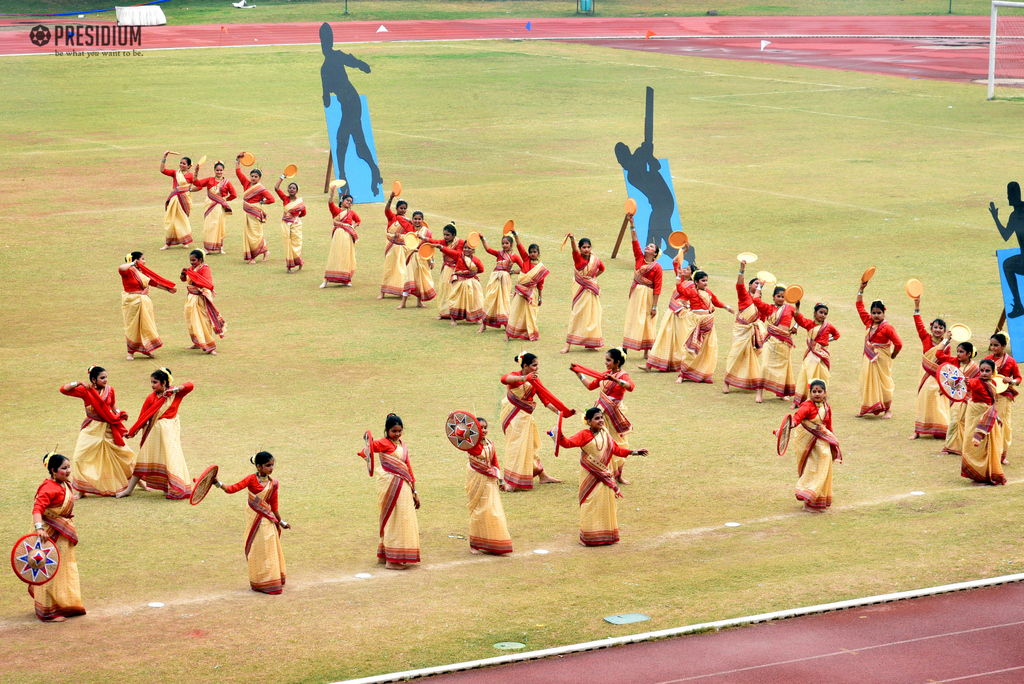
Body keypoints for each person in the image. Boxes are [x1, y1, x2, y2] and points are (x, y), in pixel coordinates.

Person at [557, 408, 647, 546]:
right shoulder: (584, 435)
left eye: (601, 418)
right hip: (590, 474)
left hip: (604, 474)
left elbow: (617, 450)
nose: (600, 421)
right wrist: (559, 435)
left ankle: (606, 535)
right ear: (588, 421)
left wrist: (635, 452)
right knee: (590, 503)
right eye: (596, 418)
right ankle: (589, 536)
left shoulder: (605, 433)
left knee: (605, 503)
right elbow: (567, 443)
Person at [215, 452, 290, 593]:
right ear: (258, 466)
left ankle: (272, 581)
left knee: (269, 552)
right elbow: (232, 489)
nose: (271, 468)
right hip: (255, 521)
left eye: (273, 465)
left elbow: (274, 507)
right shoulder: (251, 479)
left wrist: (282, 522)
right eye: (268, 465)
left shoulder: (273, 484)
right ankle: (261, 582)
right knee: (258, 552)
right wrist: (217, 483)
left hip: (267, 522)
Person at [500, 353, 575, 490]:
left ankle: (542, 475)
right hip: (514, 417)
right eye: (534, 365)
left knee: (531, 446)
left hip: (526, 417)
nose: (537, 368)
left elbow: (546, 400)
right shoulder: (516, 376)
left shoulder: (535, 380)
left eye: (537, 365)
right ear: (525, 366)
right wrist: (524, 378)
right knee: (517, 447)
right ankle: (511, 482)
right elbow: (504, 379)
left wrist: (562, 413)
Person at [117, 368, 193, 500]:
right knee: (143, 459)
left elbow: (190, 385)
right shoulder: (151, 397)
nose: (152, 385)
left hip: (170, 434)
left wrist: (174, 390)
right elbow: (143, 416)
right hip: (154, 433)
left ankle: (168, 487)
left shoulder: (175, 394)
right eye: (151, 382)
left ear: (164, 382)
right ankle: (129, 490)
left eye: (155, 382)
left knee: (169, 459)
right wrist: (132, 431)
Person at [358, 414, 421, 569]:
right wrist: (367, 444)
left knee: (402, 517)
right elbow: (367, 450)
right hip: (391, 484)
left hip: (404, 485)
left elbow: (408, 466)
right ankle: (392, 561)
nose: (397, 434)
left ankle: (388, 555)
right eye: (394, 431)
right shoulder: (383, 443)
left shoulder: (401, 444)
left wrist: (415, 491)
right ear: (387, 430)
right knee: (394, 518)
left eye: (400, 431)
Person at [60, 367, 134, 497]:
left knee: (125, 454)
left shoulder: (110, 390)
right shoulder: (86, 390)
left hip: (108, 428)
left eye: (106, 377)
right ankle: (82, 491)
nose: (105, 380)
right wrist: (78, 383)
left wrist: (120, 413)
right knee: (79, 457)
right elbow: (63, 390)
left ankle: (137, 483)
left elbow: (113, 405)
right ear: (93, 379)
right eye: (102, 378)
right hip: (91, 429)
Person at [29, 453, 86, 621]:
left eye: (68, 467)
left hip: (62, 535)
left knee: (63, 568)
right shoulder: (48, 487)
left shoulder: (63, 484)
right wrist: (39, 529)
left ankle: (62, 605)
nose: (68, 471)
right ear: (53, 470)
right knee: (50, 570)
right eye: (64, 468)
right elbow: (37, 509)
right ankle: (48, 612)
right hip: (50, 535)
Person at [574, 348, 635, 483]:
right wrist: (579, 374)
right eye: (606, 360)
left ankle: (618, 475)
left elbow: (630, 387)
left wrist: (616, 380)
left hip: (615, 414)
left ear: (617, 362)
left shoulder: (623, 375)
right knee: (601, 443)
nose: (606, 363)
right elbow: (590, 386)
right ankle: (603, 473)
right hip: (601, 413)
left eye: (609, 360)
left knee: (620, 444)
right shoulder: (605, 374)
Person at [788, 380, 842, 512]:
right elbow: (798, 416)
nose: (817, 394)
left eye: (819, 391)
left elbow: (828, 425)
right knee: (812, 469)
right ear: (810, 393)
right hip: (809, 444)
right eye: (814, 391)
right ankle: (807, 502)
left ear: (825, 393)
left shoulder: (826, 407)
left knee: (824, 465)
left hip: (822, 440)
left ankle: (817, 500)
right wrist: (793, 423)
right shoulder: (807, 406)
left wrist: (831, 438)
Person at [463, 418, 513, 555]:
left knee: (491, 508)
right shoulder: (470, 443)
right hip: (476, 479)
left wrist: (501, 480)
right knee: (479, 509)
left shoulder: (490, 443)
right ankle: (474, 545)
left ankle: (492, 541)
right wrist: (452, 417)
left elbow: (494, 461)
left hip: (489, 479)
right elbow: (458, 434)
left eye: (485, 427)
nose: (484, 430)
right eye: (480, 427)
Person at [676, 270, 735, 384]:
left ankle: (703, 374)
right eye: (703, 281)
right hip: (695, 322)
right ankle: (682, 375)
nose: (705, 283)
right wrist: (679, 276)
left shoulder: (708, 292)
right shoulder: (692, 292)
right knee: (690, 349)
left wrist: (727, 308)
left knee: (707, 349)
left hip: (708, 322)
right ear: (696, 282)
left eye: (706, 280)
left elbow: (716, 302)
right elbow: (680, 290)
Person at [855, 282, 903, 418]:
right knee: (866, 380)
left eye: (879, 313)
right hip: (868, 358)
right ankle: (866, 407)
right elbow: (859, 306)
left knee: (883, 383)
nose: (876, 315)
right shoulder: (868, 322)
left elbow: (898, 344)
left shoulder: (887, 328)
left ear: (884, 313)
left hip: (882, 359)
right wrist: (861, 290)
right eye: (874, 313)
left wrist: (892, 355)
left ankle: (888, 410)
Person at [118, 251, 177, 361]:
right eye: (143, 259)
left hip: (144, 302)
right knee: (132, 327)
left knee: (146, 325)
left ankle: (147, 350)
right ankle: (130, 353)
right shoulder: (128, 271)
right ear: (136, 260)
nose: (144, 261)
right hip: (131, 302)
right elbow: (121, 267)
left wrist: (168, 289)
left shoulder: (142, 272)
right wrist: (132, 264)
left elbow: (153, 283)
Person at [642, 261, 696, 373]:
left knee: (678, 339)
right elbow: (675, 261)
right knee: (665, 337)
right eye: (684, 268)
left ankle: (680, 364)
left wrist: (688, 304)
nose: (684, 270)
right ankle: (655, 365)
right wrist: (683, 252)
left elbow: (696, 300)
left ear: (692, 275)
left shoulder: (692, 286)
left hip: (680, 313)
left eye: (688, 269)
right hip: (672, 312)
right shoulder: (682, 280)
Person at [960, 360, 1006, 485]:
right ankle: (979, 474)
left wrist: (996, 417)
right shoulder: (976, 381)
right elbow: (967, 382)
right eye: (982, 370)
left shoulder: (993, 383)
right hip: (975, 417)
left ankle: (984, 476)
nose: (984, 373)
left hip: (988, 417)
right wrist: (961, 381)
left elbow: (991, 402)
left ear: (993, 372)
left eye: (987, 371)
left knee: (987, 446)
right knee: (974, 445)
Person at [622, 217, 663, 357]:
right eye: (648, 245)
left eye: (651, 247)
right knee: (632, 317)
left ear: (655, 253)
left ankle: (647, 351)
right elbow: (634, 241)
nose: (648, 247)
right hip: (636, 294)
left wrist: (655, 307)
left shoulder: (657, 268)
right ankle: (625, 348)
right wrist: (632, 223)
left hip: (648, 297)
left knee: (647, 320)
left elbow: (658, 288)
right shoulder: (639, 257)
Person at [723, 261, 766, 393]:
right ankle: (727, 383)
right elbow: (739, 284)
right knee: (735, 354)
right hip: (742, 330)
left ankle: (753, 381)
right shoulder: (744, 296)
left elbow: (762, 319)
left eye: (760, 284)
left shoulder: (760, 303)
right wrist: (742, 270)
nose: (758, 285)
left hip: (753, 332)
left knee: (751, 357)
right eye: (756, 283)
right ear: (750, 285)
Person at [909, 298, 948, 440]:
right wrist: (917, 306)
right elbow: (918, 324)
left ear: (945, 331)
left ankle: (940, 429)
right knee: (923, 399)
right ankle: (918, 431)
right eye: (935, 327)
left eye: (941, 328)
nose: (937, 330)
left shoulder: (946, 345)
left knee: (937, 400)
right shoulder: (925, 337)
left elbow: (947, 364)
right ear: (931, 329)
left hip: (938, 376)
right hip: (925, 374)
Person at [752, 284, 797, 403]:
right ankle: (759, 393)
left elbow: (799, 318)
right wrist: (760, 287)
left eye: (783, 297)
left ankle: (781, 394)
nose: (781, 299)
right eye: (778, 296)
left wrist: (795, 327)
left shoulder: (790, 308)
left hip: (784, 343)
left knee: (783, 368)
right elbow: (756, 300)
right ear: (773, 297)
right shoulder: (769, 308)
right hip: (770, 342)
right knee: (765, 366)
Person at [561, 235, 605, 353]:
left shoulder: (594, 259)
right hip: (580, 291)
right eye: (584, 247)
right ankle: (568, 345)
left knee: (592, 316)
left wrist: (591, 279)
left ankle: (591, 344)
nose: (586, 249)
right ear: (580, 248)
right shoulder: (578, 259)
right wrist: (572, 239)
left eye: (588, 247)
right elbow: (574, 250)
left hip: (591, 291)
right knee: (576, 315)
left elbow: (602, 268)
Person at [937, 339, 980, 457]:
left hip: (969, 399)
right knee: (954, 421)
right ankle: (949, 446)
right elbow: (939, 355)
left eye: (961, 352)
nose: (958, 354)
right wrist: (947, 339)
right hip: (956, 398)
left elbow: (979, 383)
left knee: (965, 423)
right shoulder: (954, 362)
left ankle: (963, 448)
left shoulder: (975, 368)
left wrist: (969, 382)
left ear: (969, 354)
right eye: (957, 351)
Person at [793, 302, 840, 406]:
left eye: (825, 313)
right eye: (820, 312)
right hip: (811, 354)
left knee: (821, 374)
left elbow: (837, 335)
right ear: (815, 313)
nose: (823, 315)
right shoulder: (810, 324)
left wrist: (826, 341)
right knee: (807, 373)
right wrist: (797, 308)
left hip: (822, 355)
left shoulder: (828, 326)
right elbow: (798, 318)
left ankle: (820, 398)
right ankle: (800, 399)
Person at [180, 250, 226, 355]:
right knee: (192, 321)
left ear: (200, 260)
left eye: (194, 260)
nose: (191, 262)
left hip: (201, 299)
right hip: (191, 299)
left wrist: (208, 289)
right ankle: (197, 343)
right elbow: (183, 279)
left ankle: (210, 346)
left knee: (204, 322)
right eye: (190, 260)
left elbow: (207, 283)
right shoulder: (191, 269)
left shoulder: (205, 268)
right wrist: (183, 273)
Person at [990, 181, 1024, 318]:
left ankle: (1018, 305)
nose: (1009, 198)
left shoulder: (1015, 216)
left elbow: (1005, 235)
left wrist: (995, 218)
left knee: (1007, 265)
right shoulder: (1015, 214)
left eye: (1010, 195)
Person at [986, 333, 1021, 463]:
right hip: (988, 394)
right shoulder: (988, 359)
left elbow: (1019, 378)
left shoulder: (1010, 361)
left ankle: (1001, 454)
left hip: (1004, 396)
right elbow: (980, 374)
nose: (993, 348)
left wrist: (1011, 381)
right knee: (989, 421)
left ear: (1004, 346)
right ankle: (990, 452)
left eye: (996, 345)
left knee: (1003, 424)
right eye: (991, 345)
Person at [505, 237, 548, 342]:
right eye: (531, 252)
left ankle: (531, 333)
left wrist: (540, 297)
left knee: (530, 314)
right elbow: (520, 247)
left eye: (535, 252)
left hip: (531, 293)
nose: (533, 254)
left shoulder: (540, 268)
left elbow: (540, 284)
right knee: (515, 311)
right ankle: (508, 335)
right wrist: (515, 235)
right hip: (520, 292)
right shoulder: (526, 259)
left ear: (538, 253)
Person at [479, 234, 523, 332]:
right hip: (495, 279)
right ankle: (484, 324)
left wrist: (512, 271)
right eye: (503, 243)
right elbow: (488, 249)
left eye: (506, 243)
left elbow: (523, 268)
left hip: (505, 281)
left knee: (503, 301)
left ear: (511, 244)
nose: (504, 245)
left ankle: (506, 323)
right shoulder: (499, 253)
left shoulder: (515, 256)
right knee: (490, 299)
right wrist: (483, 239)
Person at [235, 155, 275, 263]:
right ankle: (263, 253)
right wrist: (237, 160)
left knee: (255, 235)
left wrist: (262, 202)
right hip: (247, 214)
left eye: (256, 176)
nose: (253, 178)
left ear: (259, 178)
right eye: (252, 176)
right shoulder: (246, 183)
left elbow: (272, 199)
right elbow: (238, 172)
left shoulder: (261, 188)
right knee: (248, 234)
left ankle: (255, 256)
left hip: (255, 214)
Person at [191, 161, 237, 255]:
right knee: (209, 226)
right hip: (210, 207)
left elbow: (234, 194)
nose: (219, 172)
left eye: (220, 170)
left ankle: (220, 248)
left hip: (220, 208)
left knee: (220, 226)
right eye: (217, 170)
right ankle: (207, 248)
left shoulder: (227, 183)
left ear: (223, 171)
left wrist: (224, 200)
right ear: (214, 170)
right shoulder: (209, 180)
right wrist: (196, 173)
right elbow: (197, 183)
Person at [439, 241, 484, 325]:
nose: (466, 250)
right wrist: (441, 247)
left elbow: (481, 269)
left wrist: (468, 273)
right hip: (459, 282)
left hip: (471, 283)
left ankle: (477, 318)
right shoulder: (459, 256)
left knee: (474, 300)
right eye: (465, 247)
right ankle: (453, 319)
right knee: (455, 299)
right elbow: (449, 252)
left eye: (469, 248)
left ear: (473, 250)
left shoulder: (476, 260)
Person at [322, 191, 360, 287]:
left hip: (348, 237)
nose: (349, 203)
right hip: (338, 236)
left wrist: (352, 227)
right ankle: (326, 280)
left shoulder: (351, 213)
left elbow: (358, 220)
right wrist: (332, 192)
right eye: (347, 200)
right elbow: (330, 203)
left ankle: (345, 280)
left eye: (351, 202)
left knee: (346, 256)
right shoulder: (336, 211)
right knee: (335, 255)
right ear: (342, 200)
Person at [380, 194, 414, 298]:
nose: (403, 210)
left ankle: (401, 291)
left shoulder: (408, 221)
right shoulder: (392, 217)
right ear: (396, 208)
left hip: (402, 248)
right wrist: (390, 199)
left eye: (404, 208)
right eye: (401, 208)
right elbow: (386, 209)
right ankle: (383, 293)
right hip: (391, 246)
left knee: (401, 269)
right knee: (389, 268)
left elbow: (411, 235)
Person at [158, 151, 194, 249]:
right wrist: (164, 157)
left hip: (184, 200)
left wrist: (189, 190)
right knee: (171, 220)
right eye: (181, 163)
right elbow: (162, 170)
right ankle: (168, 243)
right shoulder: (175, 173)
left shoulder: (190, 176)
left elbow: (198, 185)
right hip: (174, 199)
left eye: (184, 164)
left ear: (189, 166)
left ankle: (185, 241)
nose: (181, 165)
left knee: (183, 220)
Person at [400, 212, 435, 309]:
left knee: (420, 280)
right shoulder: (409, 230)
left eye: (419, 219)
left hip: (423, 258)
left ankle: (419, 302)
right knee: (408, 279)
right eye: (415, 219)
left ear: (422, 220)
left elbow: (430, 246)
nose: (417, 221)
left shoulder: (426, 232)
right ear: (412, 219)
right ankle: (403, 303)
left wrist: (431, 261)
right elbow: (405, 244)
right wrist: (411, 249)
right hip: (411, 258)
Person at [431, 223, 465, 319]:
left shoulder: (460, 242)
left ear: (454, 235)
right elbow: (434, 241)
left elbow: (457, 254)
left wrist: (442, 248)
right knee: (444, 290)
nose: (445, 237)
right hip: (446, 269)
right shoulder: (444, 242)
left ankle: (455, 313)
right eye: (444, 235)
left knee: (454, 291)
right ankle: (443, 312)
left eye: (447, 235)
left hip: (456, 270)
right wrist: (423, 238)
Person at [275, 174, 306, 273]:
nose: (292, 189)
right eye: (290, 188)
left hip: (295, 224)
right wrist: (282, 177)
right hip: (285, 224)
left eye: (294, 188)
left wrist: (295, 217)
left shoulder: (299, 202)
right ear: (288, 190)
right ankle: (289, 267)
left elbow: (304, 212)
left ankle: (299, 262)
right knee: (287, 244)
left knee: (296, 244)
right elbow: (276, 188)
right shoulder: (285, 198)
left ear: (297, 191)